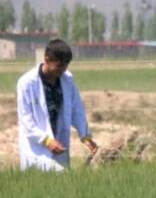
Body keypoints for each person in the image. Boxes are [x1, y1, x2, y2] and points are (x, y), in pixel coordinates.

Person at [16, 39, 97, 172]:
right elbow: (26, 120)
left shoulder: (67, 80)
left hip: (59, 143)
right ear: (47, 60)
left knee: (61, 183)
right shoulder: (26, 83)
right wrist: (46, 140)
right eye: (59, 65)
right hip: (37, 148)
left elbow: (76, 109)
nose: (63, 70)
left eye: (66, 66)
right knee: (57, 177)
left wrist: (85, 135)